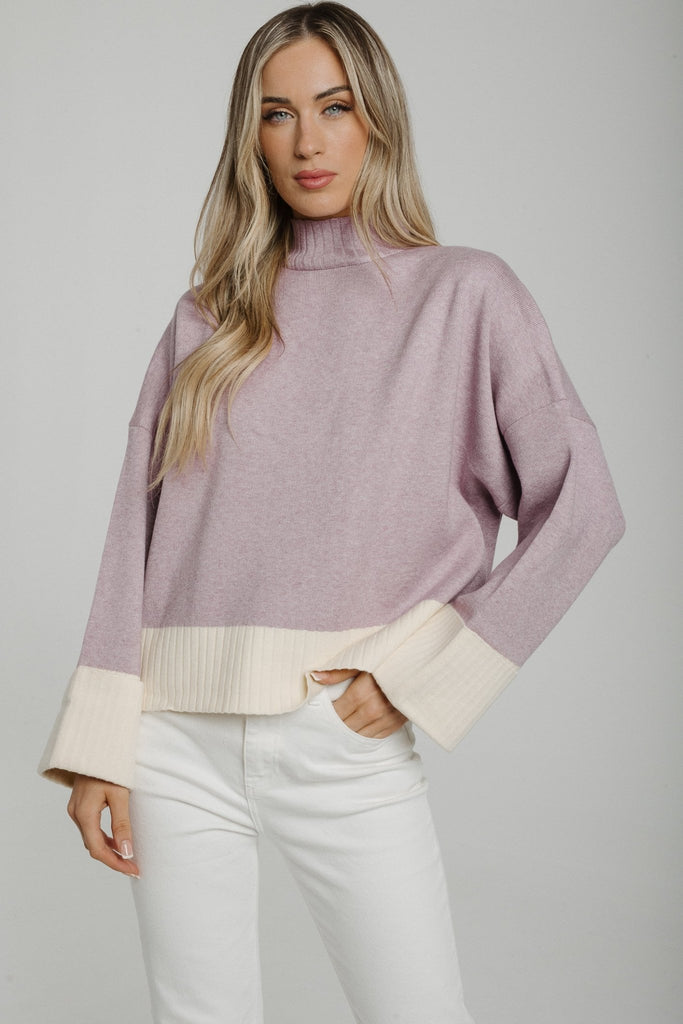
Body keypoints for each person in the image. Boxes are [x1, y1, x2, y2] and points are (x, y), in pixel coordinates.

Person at [38, 3, 625, 1022]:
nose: (306, 142)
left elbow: (584, 507)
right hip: (173, 741)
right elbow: (134, 534)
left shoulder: (464, 294)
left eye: (334, 107)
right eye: (277, 114)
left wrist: (425, 669)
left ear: (377, 118)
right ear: (250, 137)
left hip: (339, 735)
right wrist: (98, 742)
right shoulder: (207, 316)